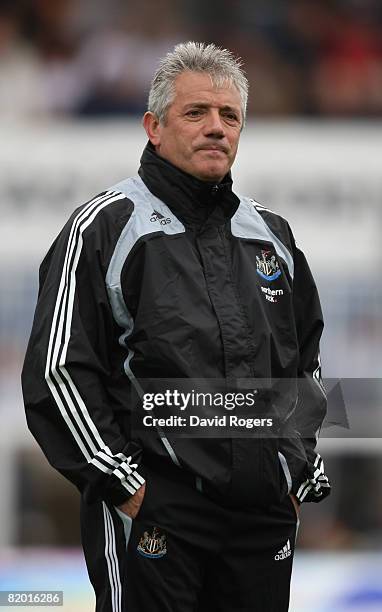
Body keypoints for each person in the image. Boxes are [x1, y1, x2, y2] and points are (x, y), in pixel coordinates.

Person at [22, 42, 331, 611]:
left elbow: (304, 366)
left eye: (229, 116)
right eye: (196, 113)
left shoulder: (273, 236)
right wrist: (127, 487)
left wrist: (292, 470)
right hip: (157, 514)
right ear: (153, 127)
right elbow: (57, 373)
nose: (216, 128)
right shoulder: (104, 227)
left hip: (261, 519)